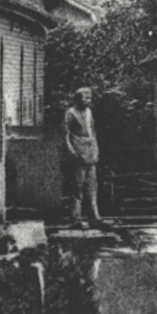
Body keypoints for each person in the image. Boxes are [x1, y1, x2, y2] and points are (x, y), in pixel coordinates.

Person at [64, 87, 101, 225]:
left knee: (92, 185)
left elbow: (93, 132)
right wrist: (72, 151)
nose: (88, 100)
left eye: (89, 98)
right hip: (78, 151)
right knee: (77, 186)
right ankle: (76, 215)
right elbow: (66, 134)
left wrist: (96, 150)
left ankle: (94, 214)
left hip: (90, 152)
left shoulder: (89, 112)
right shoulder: (70, 113)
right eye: (85, 98)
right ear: (78, 99)